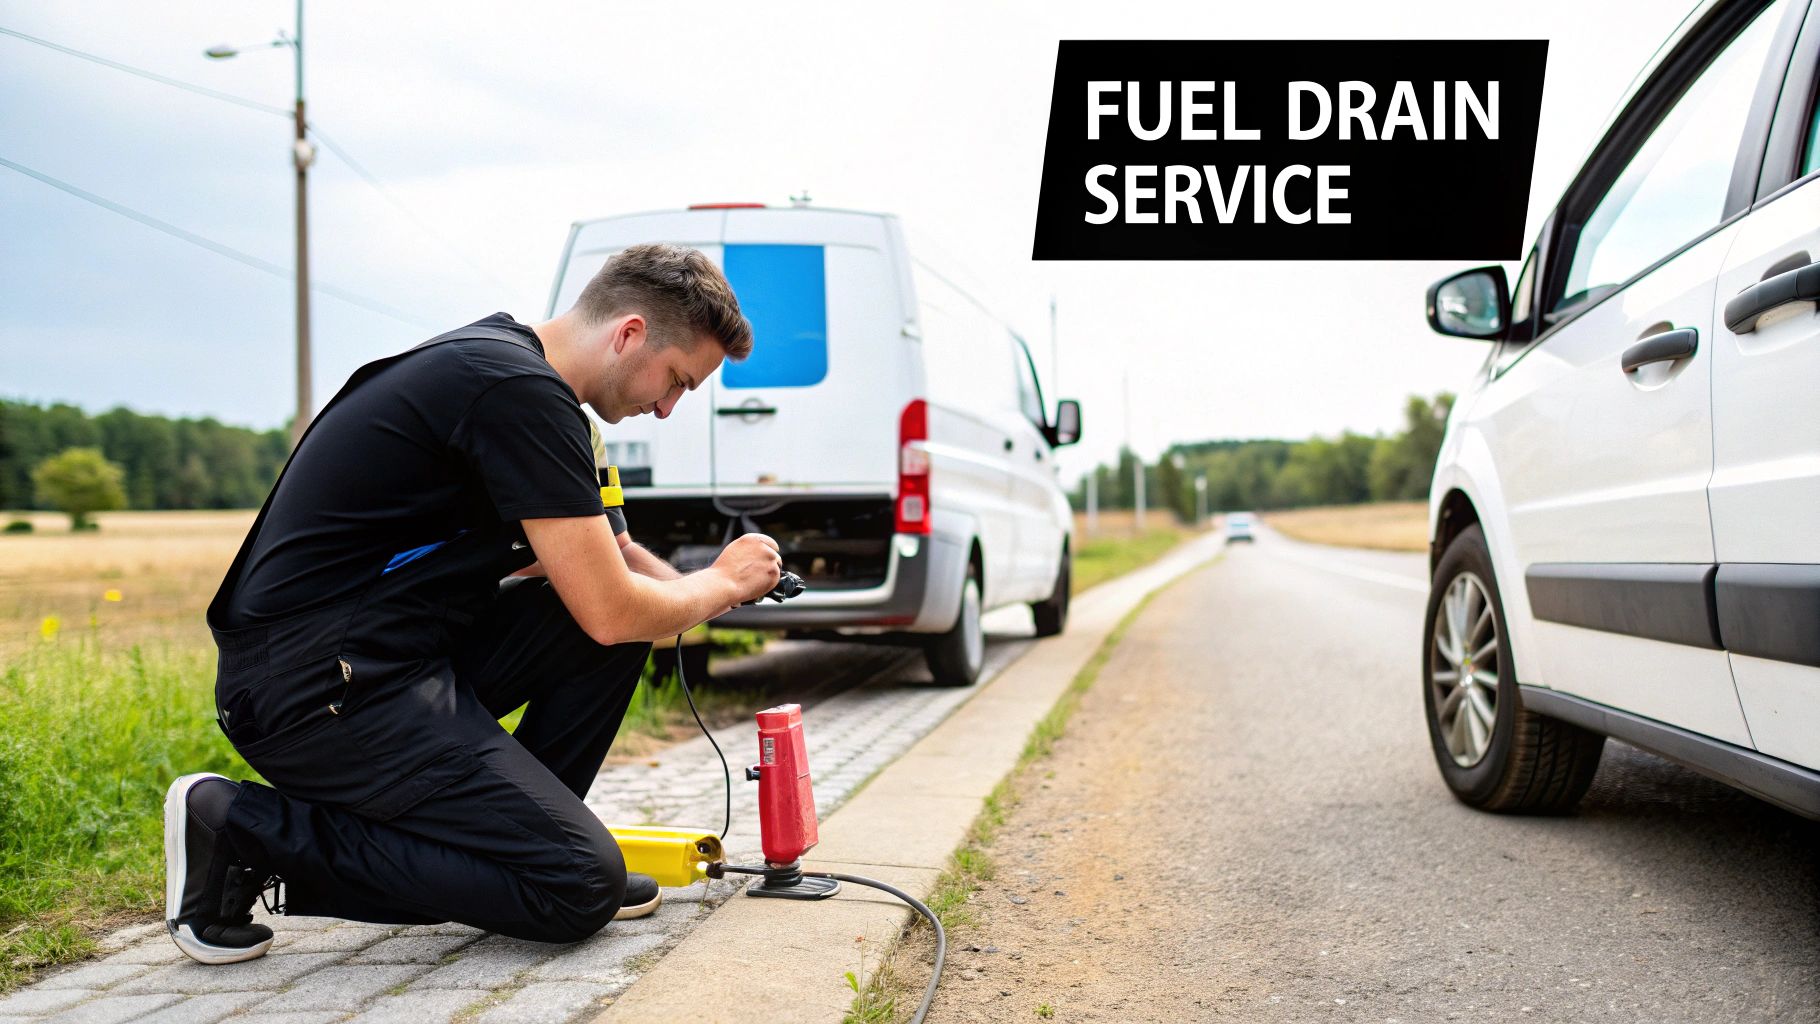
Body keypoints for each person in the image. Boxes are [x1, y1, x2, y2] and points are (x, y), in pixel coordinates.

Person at [163, 243, 779, 964]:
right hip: (310, 691)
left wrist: (692, 589)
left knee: (595, 639)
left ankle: (528, 842)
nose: (669, 408)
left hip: (385, 658)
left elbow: (612, 569)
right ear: (630, 333)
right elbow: (614, 606)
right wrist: (725, 582)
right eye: (677, 381)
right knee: (575, 888)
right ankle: (242, 828)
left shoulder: (526, 385)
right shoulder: (515, 392)